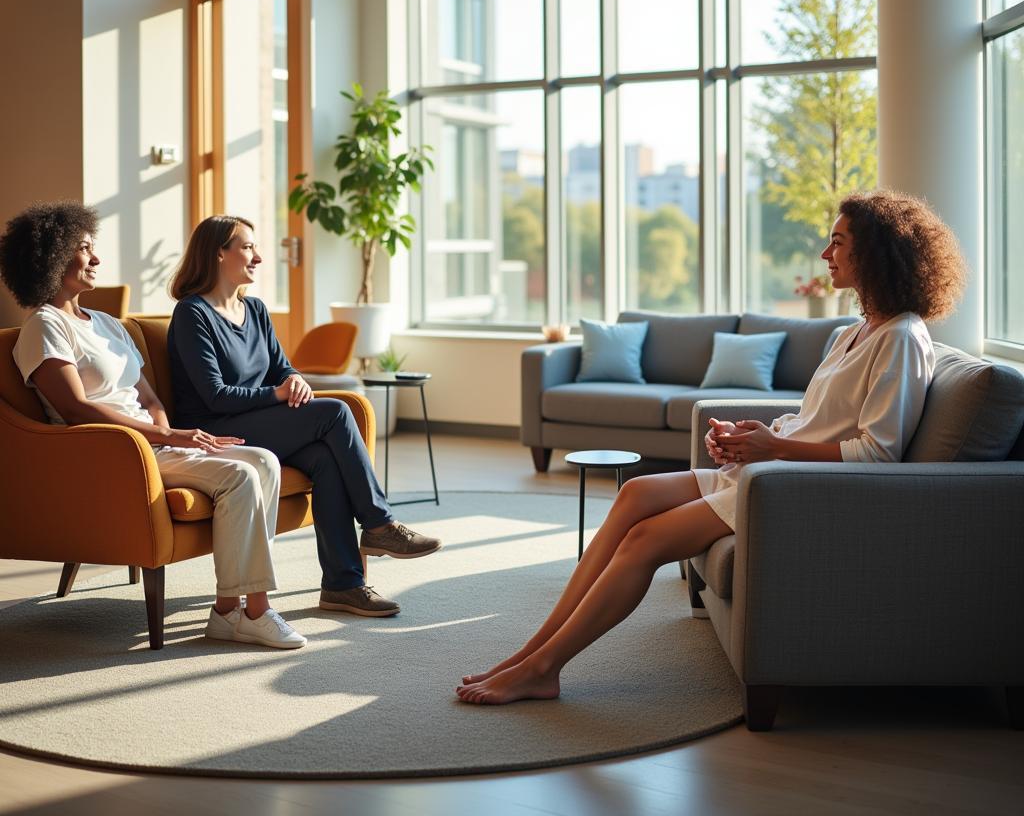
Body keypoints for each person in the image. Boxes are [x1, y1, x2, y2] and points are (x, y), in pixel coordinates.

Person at [456, 189, 967, 705]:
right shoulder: (855, 332)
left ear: (875, 253)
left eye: (836, 242)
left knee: (645, 541)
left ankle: (544, 668)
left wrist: (774, 452)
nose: (825, 254)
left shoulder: (901, 338)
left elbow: (879, 454)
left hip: (799, 491)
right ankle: (531, 650)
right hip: (775, 470)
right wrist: (751, 436)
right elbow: (816, 420)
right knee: (634, 493)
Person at [0, 202, 305, 650]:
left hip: (153, 446)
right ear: (52, 257)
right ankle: (254, 612)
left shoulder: (106, 323)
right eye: (84, 248)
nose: (96, 258)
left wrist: (169, 435)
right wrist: (166, 437)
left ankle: (226, 611)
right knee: (240, 474)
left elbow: (149, 397)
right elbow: (78, 408)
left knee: (264, 462)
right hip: (110, 453)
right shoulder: (43, 328)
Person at [167, 215, 441, 619]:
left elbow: (282, 367)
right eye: (247, 247)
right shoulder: (193, 315)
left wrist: (293, 380)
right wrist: (277, 393)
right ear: (217, 253)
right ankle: (379, 524)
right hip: (215, 430)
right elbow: (216, 395)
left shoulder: (255, 310)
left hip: (257, 421)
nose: (258, 257)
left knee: (326, 459)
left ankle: (342, 586)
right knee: (335, 411)